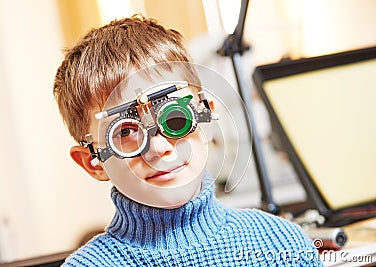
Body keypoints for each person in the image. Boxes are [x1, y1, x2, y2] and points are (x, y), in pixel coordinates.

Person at [53, 15, 323, 266]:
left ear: (207, 114)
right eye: (124, 131)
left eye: (174, 117)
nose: (159, 148)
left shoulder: (279, 244)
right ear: (93, 162)